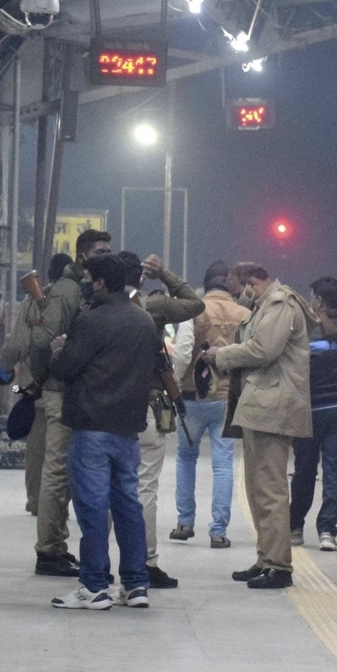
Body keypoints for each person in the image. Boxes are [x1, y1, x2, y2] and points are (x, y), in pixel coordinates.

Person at [47, 253, 162, 610]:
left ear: (99, 283)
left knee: (93, 507)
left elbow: (65, 369)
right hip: (128, 427)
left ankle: (94, 585)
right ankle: (136, 584)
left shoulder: (91, 320)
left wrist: (57, 351)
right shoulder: (144, 320)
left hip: (92, 425)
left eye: (88, 279)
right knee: (128, 504)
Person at [203, 263, 312, 590]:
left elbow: (264, 350)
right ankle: (266, 557)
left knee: (270, 489)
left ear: (252, 283)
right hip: (262, 405)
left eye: (239, 291)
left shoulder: (280, 304)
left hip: (274, 407)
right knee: (256, 488)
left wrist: (221, 355)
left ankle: (279, 565)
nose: (238, 298)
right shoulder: (265, 305)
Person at [29, 230, 112, 578]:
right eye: (100, 251)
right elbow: (41, 340)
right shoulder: (66, 291)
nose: (107, 255)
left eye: (109, 250)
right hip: (61, 391)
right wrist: (49, 377)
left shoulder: (91, 289)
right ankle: (49, 550)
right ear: (81, 257)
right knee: (58, 472)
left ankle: (57, 548)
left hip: (76, 391)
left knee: (69, 472)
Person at [120, 250, 203, 589]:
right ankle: (145, 563)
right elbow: (194, 304)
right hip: (147, 407)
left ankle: (95, 562)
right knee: (144, 488)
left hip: (104, 410)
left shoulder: (91, 308)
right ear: (139, 277)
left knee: (104, 488)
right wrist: (165, 274)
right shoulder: (151, 308)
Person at [170, 260, 250, 549]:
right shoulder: (245, 313)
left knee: (185, 458)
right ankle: (218, 531)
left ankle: (185, 522)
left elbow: (180, 352)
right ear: (229, 283)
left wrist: (177, 384)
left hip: (192, 396)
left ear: (206, 284)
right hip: (228, 399)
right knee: (223, 464)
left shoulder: (193, 311)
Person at [0, 253, 71, 517]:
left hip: (37, 390)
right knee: (67, 452)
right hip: (74, 390)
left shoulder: (34, 303)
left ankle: (37, 502)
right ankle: (59, 503)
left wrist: (2, 368)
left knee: (39, 450)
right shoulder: (83, 301)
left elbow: (17, 343)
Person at [290, 276, 337, 552]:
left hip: (311, 411)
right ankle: (327, 531)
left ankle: (295, 527)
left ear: (318, 300)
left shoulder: (307, 333)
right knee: (333, 472)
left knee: (304, 472)